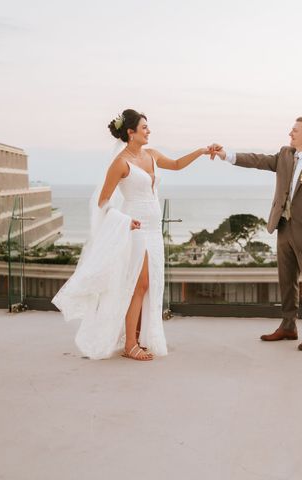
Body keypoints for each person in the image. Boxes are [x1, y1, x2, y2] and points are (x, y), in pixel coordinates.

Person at [53, 109, 212, 361]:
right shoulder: (120, 163)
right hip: (134, 228)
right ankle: (130, 344)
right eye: (144, 127)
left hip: (154, 229)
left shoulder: (151, 155)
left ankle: (138, 338)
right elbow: (103, 201)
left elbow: (177, 164)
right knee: (140, 284)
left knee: (150, 285)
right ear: (130, 132)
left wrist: (202, 151)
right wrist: (124, 221)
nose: (149, 131)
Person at [209, 117, 302, 351]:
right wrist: (226, 155)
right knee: (286, 281)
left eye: (295, 130)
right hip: (283, 228)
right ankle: (288, 326)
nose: (290, 133)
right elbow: (258, 160)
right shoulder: (285, 155)